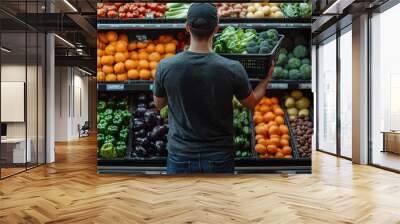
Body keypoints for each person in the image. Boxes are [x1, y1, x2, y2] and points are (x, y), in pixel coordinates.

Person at [153, 3, 274, 174]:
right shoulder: (233, 68)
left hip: (180, 155)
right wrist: (266, 80)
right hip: (219, 156)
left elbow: (158, 104)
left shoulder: (165, 66)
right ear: (216, 29)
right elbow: (251, 103)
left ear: (187, 27)